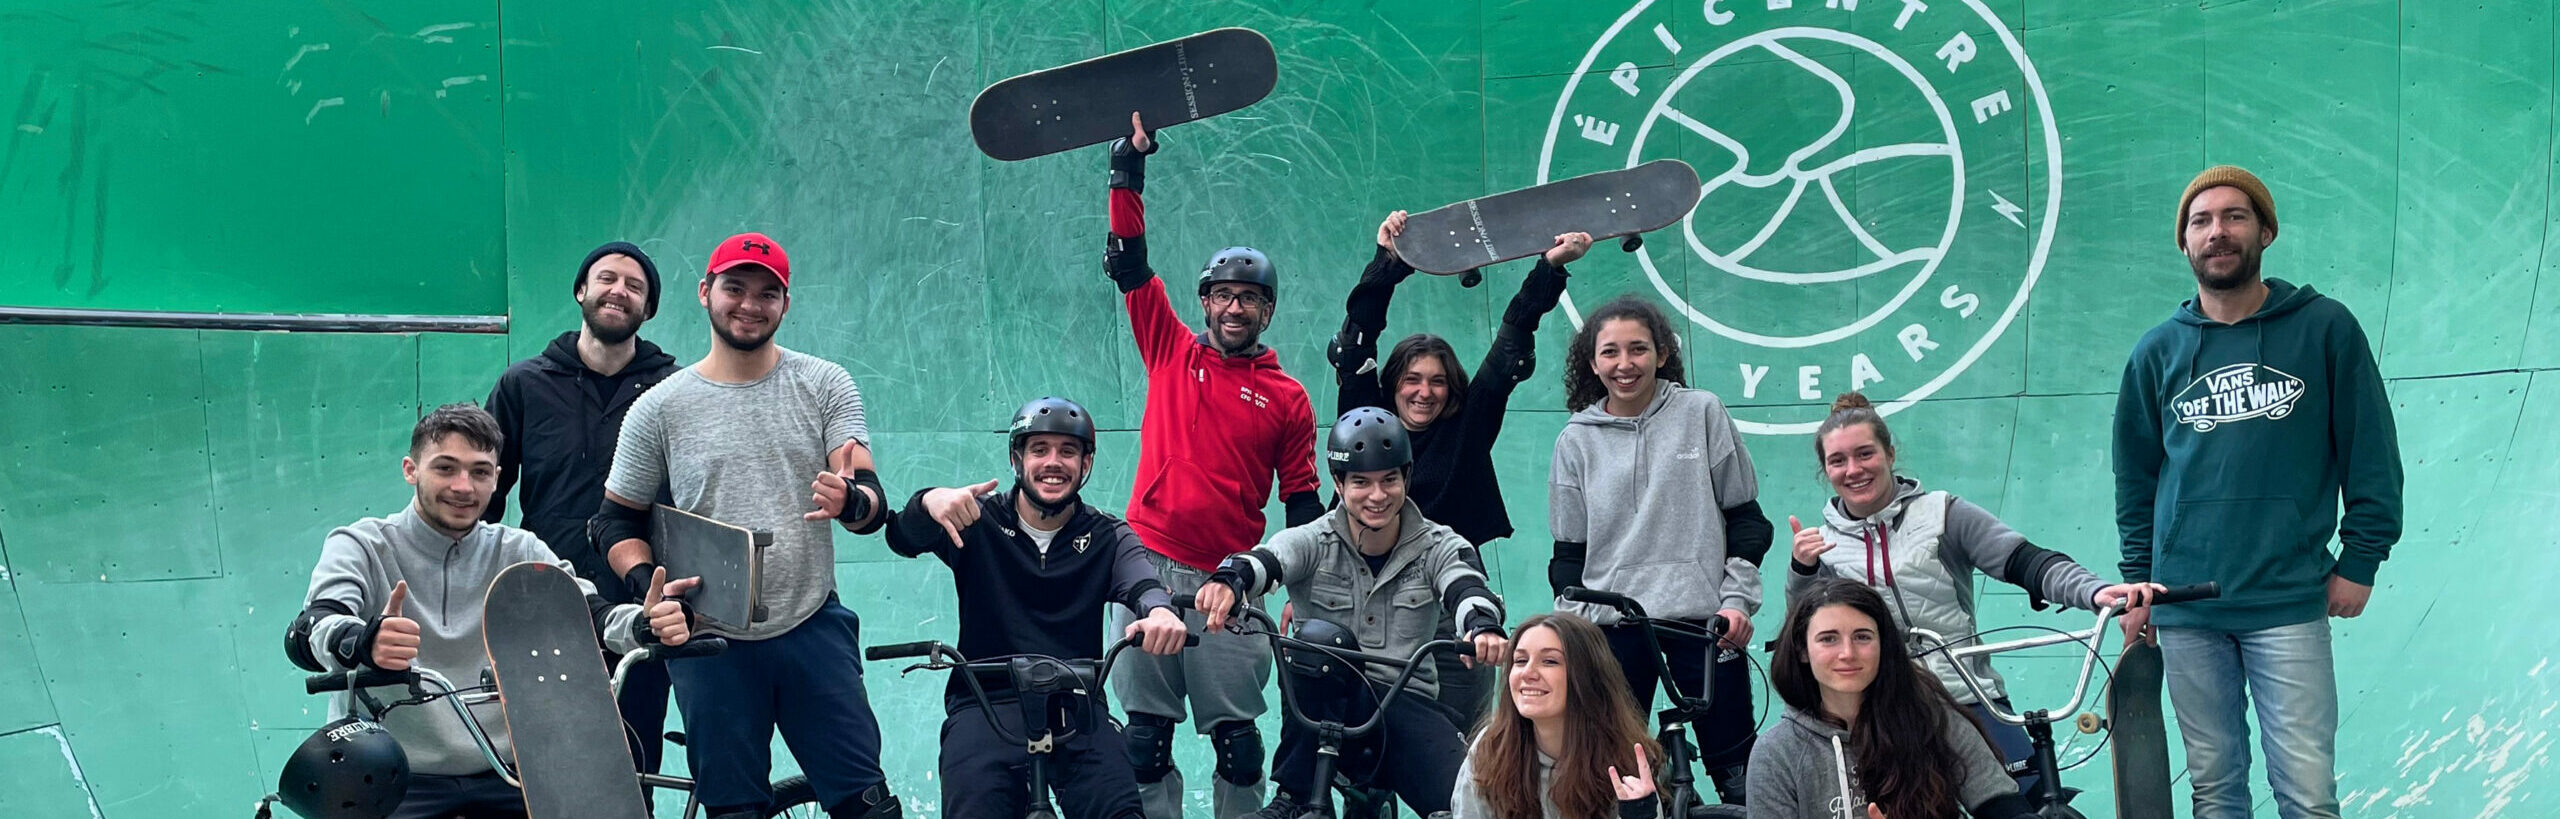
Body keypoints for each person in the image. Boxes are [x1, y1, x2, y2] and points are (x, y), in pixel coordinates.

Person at [2113, 166, 2403, 819]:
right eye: (2201, 221)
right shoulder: (2157, 352)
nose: (2217, 231)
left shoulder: (2324, 329)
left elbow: (2371, 453)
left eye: (2234, 216)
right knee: (2216, 792)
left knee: (2307, 793)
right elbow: (2135, 481)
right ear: (2184, 242)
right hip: (2186, 607)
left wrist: (2360, 560)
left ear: (2265, 231)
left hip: (2287, 599)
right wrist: (2138, 583)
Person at [591, 232, 903, 819]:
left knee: (868, 806)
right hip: (711, 645)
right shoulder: (658, 407)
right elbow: (613, 521)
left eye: (767, 293)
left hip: (812, 626)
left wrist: (851, 502)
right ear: (705, 292)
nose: (750, 304)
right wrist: (647, 587)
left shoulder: (826, 383)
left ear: (786, 304)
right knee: (734, 811)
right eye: (734, 288)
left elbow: (871, 501)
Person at [283, 403, 696, 819]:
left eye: (480, 472)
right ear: (411, 470)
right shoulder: (362, 544)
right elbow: (315, 623)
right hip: (397, 773)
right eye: (446, 468)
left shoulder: (519, 550)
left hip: (510, 772)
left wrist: (645, 624)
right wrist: (363, 641)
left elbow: (588, 613)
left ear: (497, 479)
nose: (463, 486)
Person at [1103, 112, 1325, 819]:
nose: (1235, 307)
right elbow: (1130, 262)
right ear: (1205, 302)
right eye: (1224, 295)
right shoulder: (1170, 348)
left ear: (1267, 311)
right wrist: (1128, 170)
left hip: (1231, 582)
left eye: (1249, 298)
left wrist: (1300, 592)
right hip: (1146, 568)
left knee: (1238, 746)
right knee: (1145, 739)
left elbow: (1302, 505)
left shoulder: (1288, 397)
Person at [1786, 391, 2162, 788]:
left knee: (2029, 795)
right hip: (1880, 709)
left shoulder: (1942, 514)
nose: (1854, 470)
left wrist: (2096, 592)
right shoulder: (1822, 545)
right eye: (1838, 460)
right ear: (1825, 470)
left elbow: (2025, 561)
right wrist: (1801, 571)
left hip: (1969, 696)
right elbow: (1807, 638)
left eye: (1865, 454)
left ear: (1890, 454)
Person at [1190, 407, 1511, 818]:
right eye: (1361, 482)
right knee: (1317, 642)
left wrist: (1481, 624)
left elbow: (1465, 584)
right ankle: (1295, 798)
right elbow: (1269, 559)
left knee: (1473, 803)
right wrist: (1230, 580)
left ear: (1406, 478)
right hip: (1319, 715)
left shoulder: (1438, 544)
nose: (1377, 496)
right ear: (1339, 484)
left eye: (1389, 480)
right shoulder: (1313, 539)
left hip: (1404, 707)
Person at [1329, 210, 1586, 720]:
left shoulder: (1467, 427)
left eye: (1438, 381)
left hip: (1454, 595)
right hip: (1368, 587)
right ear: (1392, 384)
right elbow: (1357, 342)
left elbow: (1510, 344)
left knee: (1462, 729)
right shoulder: (1366, 420)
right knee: (1362, 725)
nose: (1424, 392)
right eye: (1412, 379)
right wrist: (1387, 264)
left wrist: (1549, 269)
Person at [885, 396, 1192, 819]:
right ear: (1017, 459)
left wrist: (1159, 612)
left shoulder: (1106, 533)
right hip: (985, 702)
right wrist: (928, 501)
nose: (1053, 463)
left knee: (1119, 808)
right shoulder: (977, 521)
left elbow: (1142, 582)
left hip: (1076, 703)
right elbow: (902, 538)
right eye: (1039, 450)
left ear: (1086, 464)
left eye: (1068, 451)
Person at [1547, 294, 1773, 803]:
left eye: (1638, 349)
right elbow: (1568, 556)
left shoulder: (1702, 411)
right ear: (1592, 363)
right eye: (1610, 352)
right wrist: (1577, 629)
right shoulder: (1575, 440)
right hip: (1615, 627)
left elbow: (1747, 521)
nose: (1624, 364)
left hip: (1704, 623)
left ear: (1662, 354)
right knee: (1617, 779)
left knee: (1739, 778)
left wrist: (1736, 603)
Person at [482, 240, 685, 788]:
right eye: (607, 279)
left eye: (635, 286)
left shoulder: (674, 391)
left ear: (649, 308)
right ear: (581, 291)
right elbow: (485, 495)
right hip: (546, 604)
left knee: (634, 768)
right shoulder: (523, 385)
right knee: (545, 774)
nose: (619, 291)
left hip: (641, 604)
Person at [1748, 577, 2030, 819]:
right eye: (1828, 639)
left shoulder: (1930, 715)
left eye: (1862, 637)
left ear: (1884, 645)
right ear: (1802, 651)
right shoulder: (1777, 753)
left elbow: (1996, 798)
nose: (1847, 653)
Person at [1451, 612, 1664, 819]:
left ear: (1586, 676)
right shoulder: (1490, 748)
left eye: (1550, 661)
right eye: (1520, 660)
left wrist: (1640, 814)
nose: (1528, 673)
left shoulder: (1625, 756)